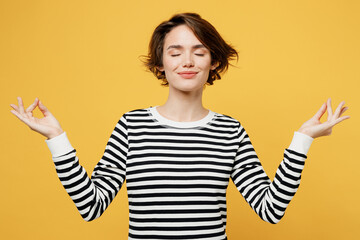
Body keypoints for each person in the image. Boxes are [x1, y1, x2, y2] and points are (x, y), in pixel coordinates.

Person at [10, 13, 349, 240]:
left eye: (199, 52)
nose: (187, 61)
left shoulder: (230, 131)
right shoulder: (132, 126)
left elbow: (270, 210)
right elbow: (91, 206)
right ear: (161, 63)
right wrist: (57, 138)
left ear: (213, 61)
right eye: (175, 52)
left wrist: (302, 140)